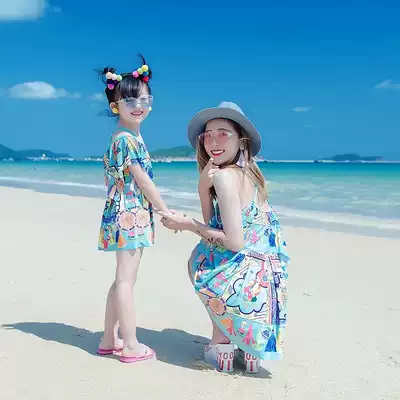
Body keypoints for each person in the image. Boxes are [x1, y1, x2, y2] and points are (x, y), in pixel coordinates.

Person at [158, 102, 290, 373]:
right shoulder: (252, 175)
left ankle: (222, 340)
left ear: (241, 141)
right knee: (209, 248)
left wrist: (188, 224)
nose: (213, 142)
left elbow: (233, 241)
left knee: (199, 259)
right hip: (268, 291)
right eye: (207, 135)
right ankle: (248, 350)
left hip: (245, 286)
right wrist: (202, 189)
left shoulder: (225, 177)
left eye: (223, 134)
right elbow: (215, 227)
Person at [96, 55, 172, 363]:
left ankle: (108, 338)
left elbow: (111, 178)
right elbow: (143, 181)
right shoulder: (127, 140)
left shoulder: (122, 137)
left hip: (120, 211)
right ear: (116, 106)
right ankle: (129, 344)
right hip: (131, 214)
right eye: (130, 101)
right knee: (126, 280)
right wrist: (165, 210)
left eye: (144, 100)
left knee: (121, 279)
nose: (139, 106)